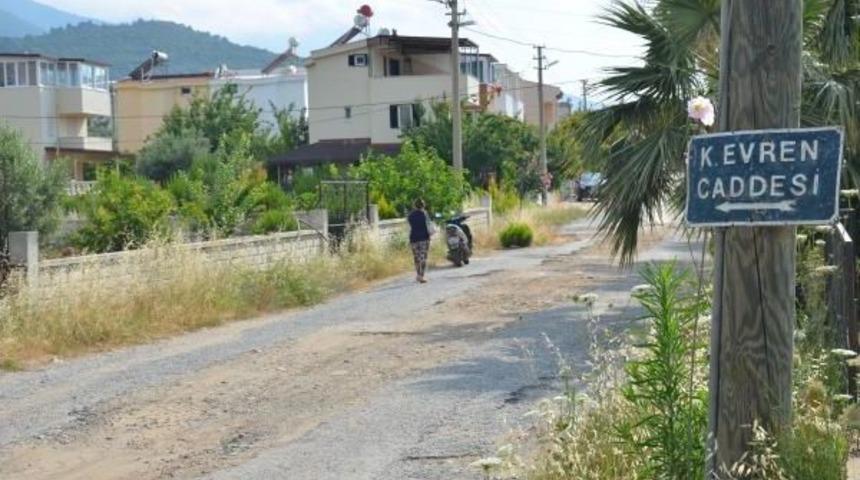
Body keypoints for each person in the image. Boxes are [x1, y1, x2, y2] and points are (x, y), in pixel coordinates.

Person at [407, 199, 434, 283]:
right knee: (423, 258)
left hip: (413, 238)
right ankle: (421, 276)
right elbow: (428, 225)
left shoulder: (410, 215)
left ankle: (418, 274)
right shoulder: (424, 214)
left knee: (416, 258)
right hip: (424, 238)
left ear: (415, 205)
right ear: (423, 205)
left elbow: (409, 226)